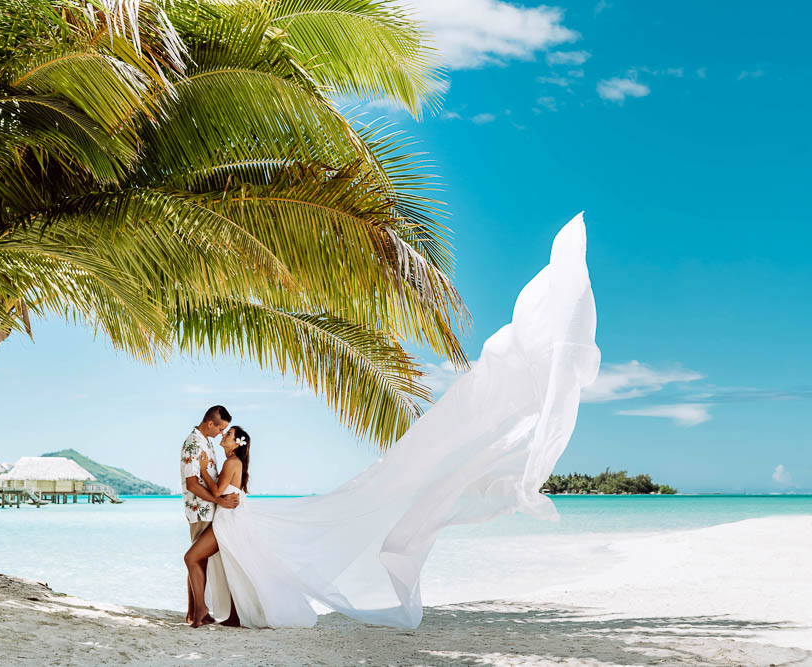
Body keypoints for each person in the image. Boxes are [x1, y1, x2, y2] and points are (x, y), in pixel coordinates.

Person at [184, 214, 600, 629]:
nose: (224, 435)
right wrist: (212, 481)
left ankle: (208, 613)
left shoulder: (232, 462)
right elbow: (224, 494)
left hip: (231, 519)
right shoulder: (233, 460)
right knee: (237, 567)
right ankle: (217, 614)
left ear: (236, 443)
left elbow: (223, 495)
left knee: (210, 561)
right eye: (222, 430)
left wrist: (205, 475)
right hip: (232, 521)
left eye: (228, 433)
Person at [180, 405, 238, 626]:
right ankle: (198, 613)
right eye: (221, 428)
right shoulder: (194, 444)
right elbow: (192, 484)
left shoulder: (207, 443)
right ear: (210, 423)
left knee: (197, 560)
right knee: (196, 560)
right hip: (200, 510)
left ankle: (195, 612)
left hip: (210, 510)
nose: (222, 433)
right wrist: (219, 501)